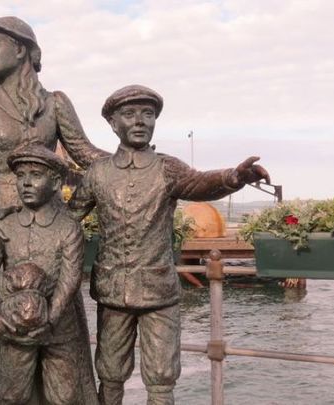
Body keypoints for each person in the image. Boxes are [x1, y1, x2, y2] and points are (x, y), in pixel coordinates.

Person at [68, 84, 270, 405]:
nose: (139, 121)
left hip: (159, 292)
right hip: (111, 292)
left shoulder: (167, 168)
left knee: (162, 379)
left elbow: (200, 183)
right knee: (109, 373)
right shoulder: (98, 173)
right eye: (130, 114)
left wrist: (233, 176)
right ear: (112, 123)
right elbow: (67, 221)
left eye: (148, 114)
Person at [0, 16, 105, 404]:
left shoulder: (55, 103)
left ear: (21, 48)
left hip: (50, 227)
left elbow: (85, 154)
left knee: (57, 319)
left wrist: (131, 160)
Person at [0, 144, 96, 404]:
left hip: (59, 326)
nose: (26, 183)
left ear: (55, 182)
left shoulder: (68, 229)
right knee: (11, 395)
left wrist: (51, 319)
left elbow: (70, 278)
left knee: (64, 397)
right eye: (20, 176)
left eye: (35, 175)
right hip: (15, 326)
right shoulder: (3, 226)